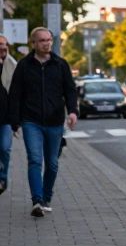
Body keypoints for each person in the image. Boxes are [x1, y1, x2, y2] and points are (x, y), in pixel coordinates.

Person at [8, 27, 78, 218]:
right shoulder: (24, 66)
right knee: (35, 159)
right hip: (31, 121)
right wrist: (15, 121)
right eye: (42, 41)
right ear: (34, 43)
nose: (46, 44)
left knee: (52, 163)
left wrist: (72, 111)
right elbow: (15, 94)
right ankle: (37, 200)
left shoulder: (60, 64)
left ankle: (46, 197)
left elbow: (70, 90)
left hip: (55, 121)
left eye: (49, 40)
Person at [0, 35, 16, 195]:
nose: (3, 47)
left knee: (5, 149)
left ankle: (3, 177)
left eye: (5, 44)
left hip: (6, 119)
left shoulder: (11, 65)